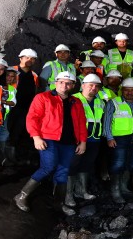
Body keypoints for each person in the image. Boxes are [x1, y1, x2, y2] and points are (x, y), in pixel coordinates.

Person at [13, 72, 87, 216]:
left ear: (72, 85)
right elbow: (32, 118)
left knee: (63, 171)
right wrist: (36, 137)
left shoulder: (76, 102)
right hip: (48, 138)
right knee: (48, 167)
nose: (64, 86)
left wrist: (82, 141)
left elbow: (81, 123)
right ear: (55, 82)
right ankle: (21, 196)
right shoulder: (43, 97)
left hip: (69, 142)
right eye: (61, 82)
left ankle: (58, 203)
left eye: (68, 83)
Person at [103, 78, 133, 203]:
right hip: (119, 139)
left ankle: (124, 187)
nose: (130, 92)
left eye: (132, 90)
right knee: (118, 164)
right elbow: (107, 121)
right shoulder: (114, 102)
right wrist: (109, 137)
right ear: (122, 90)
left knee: (131, 163)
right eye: (127, 90)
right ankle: (115, 190)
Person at [68, 74, 105, 206]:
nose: (93, 88)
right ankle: (68, 195)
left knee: (87, 165)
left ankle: (81, 191)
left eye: (97, 86)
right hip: (77, 139)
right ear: (83, 85)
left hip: (94, 138)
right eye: (91, 85)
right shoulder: (74, 99)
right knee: (72, 166)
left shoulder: (100, 101)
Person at [6, 49, 39, 165]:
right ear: (20, 58)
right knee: (6, 131)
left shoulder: (34, 75)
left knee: (19, 131)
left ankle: (14, 157)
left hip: (26, 108)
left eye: (32, 58)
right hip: (10, 107)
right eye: (27, 57)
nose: (29, 60)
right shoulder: (11, 70)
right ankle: (3, 157)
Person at [0, 66, 17, 167]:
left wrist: (2, 101)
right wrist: (6, 102)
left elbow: (13, 103)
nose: (10, 78)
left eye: (12, 76)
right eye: (8, 75)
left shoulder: (13, 89)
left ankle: (1, 158)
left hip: (7, 116)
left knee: (4, 135)